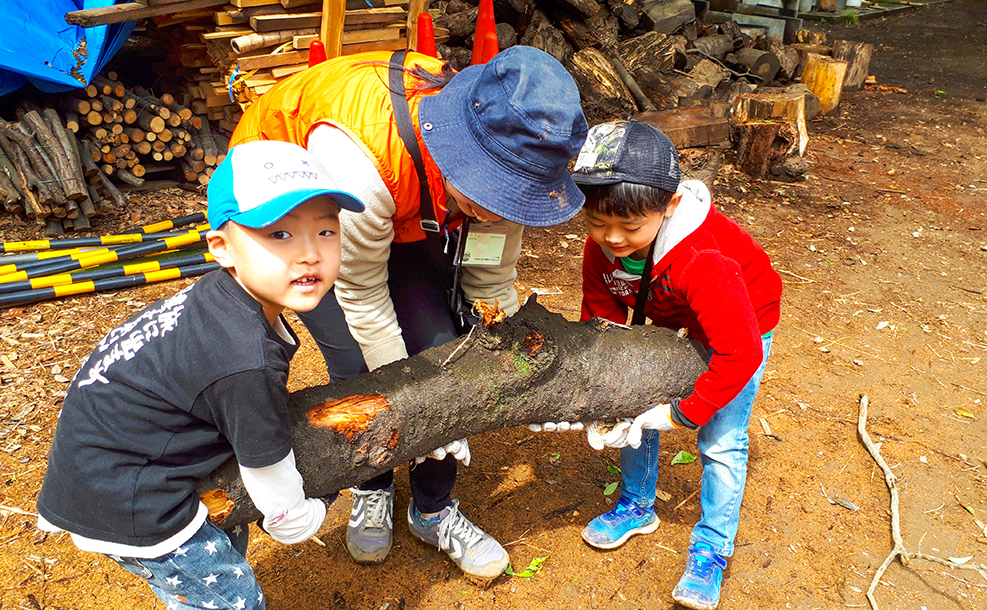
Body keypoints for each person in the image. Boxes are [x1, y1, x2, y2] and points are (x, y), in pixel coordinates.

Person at [230, 46, 588, 580]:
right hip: (309, 222)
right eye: (493, 192)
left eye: (513, 197)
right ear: (460, 153)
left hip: (409, 203)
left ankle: (433, 510)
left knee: (443, 345)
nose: (498, 210)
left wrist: (532, 374)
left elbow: (489, 281)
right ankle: (372, 486)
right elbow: (366, 300)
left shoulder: (518, 158)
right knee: (356, 365)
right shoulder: (360, 163)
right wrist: (415, 410)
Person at [35, 140, 366, 610]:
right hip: (131, 497)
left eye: (326, 231)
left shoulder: (226, 300)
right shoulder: (241, 353)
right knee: (231, 601)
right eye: (280, 235)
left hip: (114, 459)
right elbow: (267, 470)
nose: (310, 254)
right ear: (221, 247)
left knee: (221, 552)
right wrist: (297, 518)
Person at [572, 121, 782, 610]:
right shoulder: (604, 242)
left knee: (721, 439)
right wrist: (605, 391)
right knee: (631, 408)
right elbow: (601, 313)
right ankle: (637, 505)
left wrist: (682, 413)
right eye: (598, 223)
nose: (613, 238)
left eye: (629, 227)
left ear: (668, 206)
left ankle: (712, 546)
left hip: (741, 323)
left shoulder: (703, 259)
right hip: (670, 311)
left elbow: (740, 353)